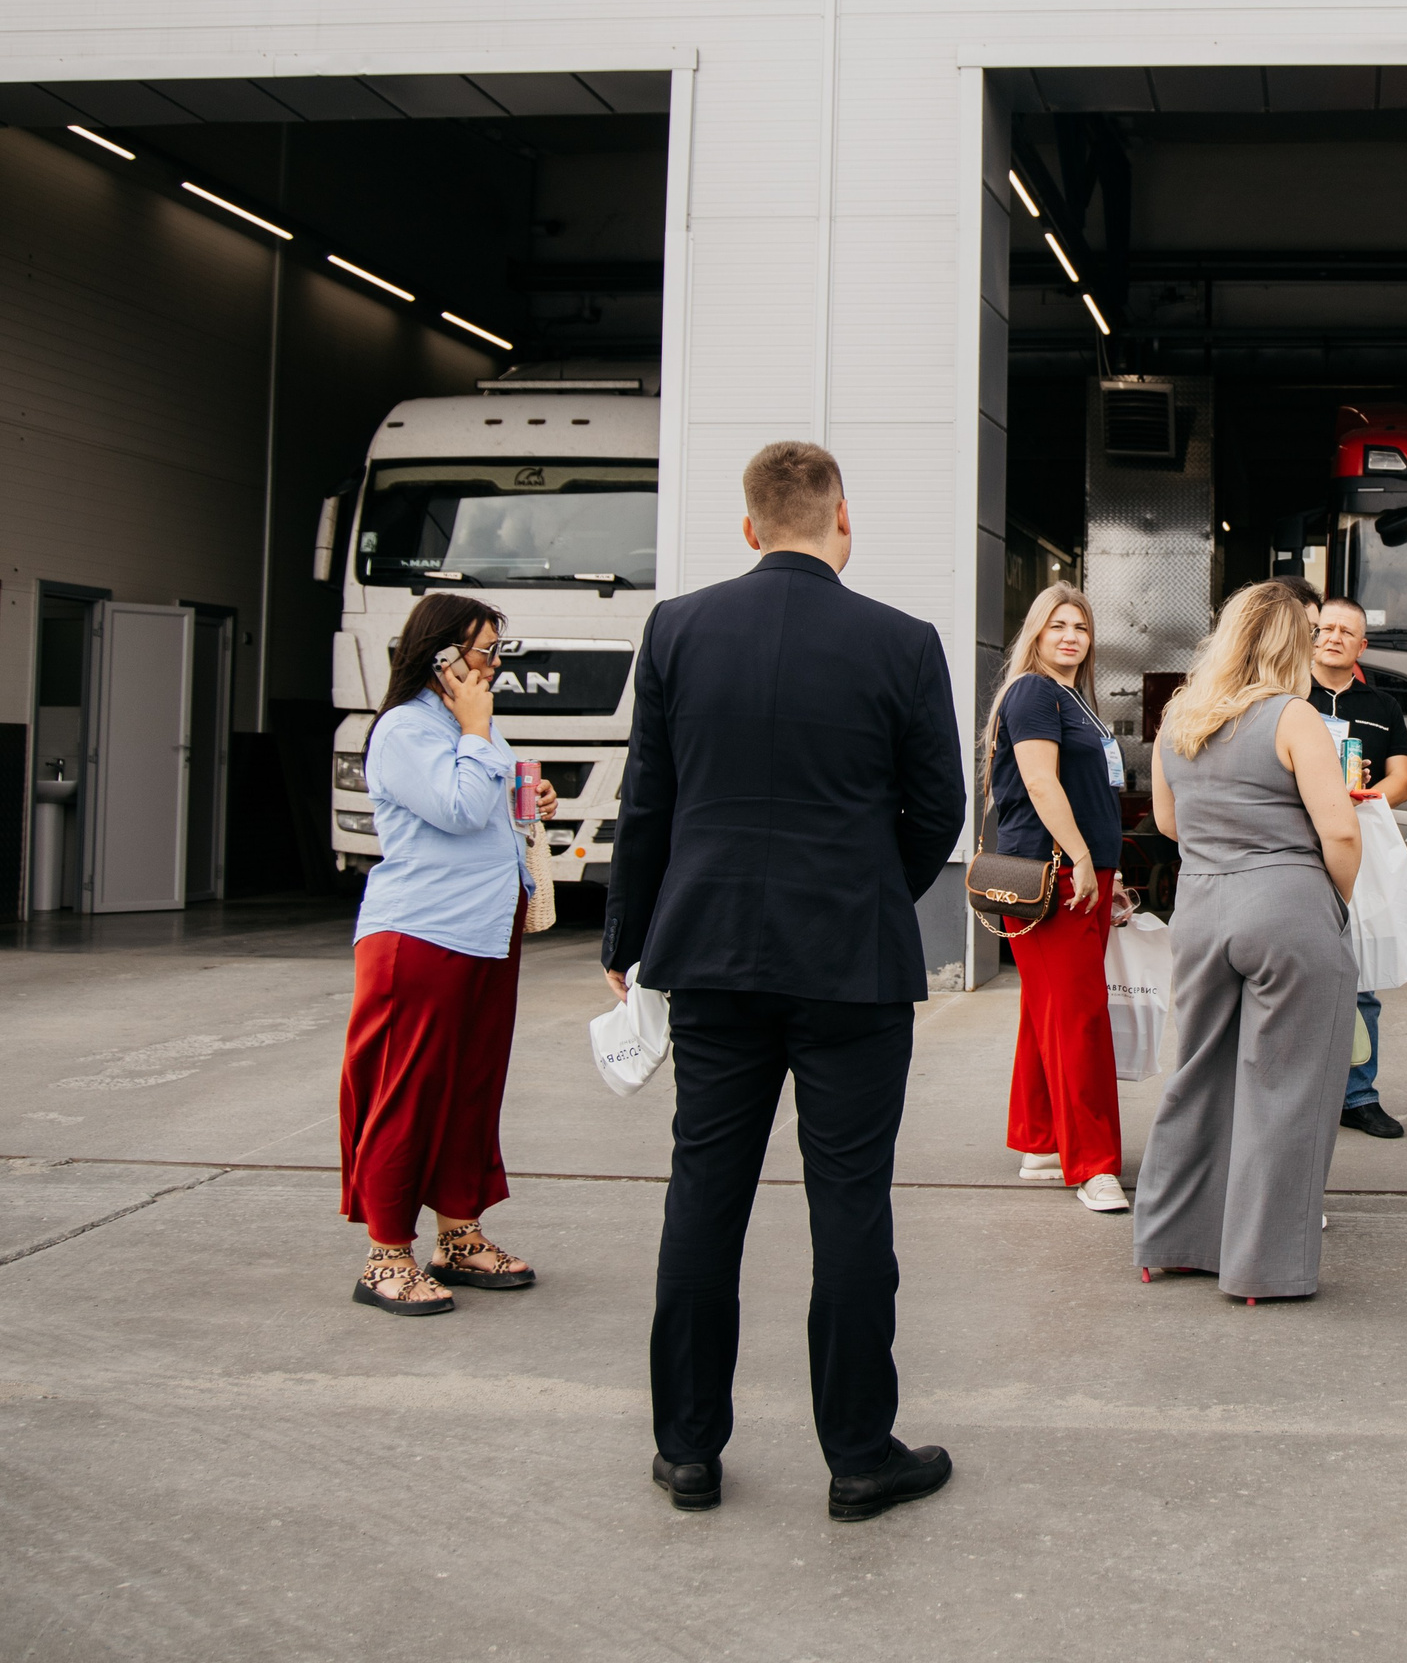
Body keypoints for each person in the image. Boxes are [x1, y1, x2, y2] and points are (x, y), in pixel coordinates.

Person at [604, 441, 967, 1522]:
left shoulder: (676, 629)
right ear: (840, 520)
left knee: (703, 1197)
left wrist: (630, 934)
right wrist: (868, 891)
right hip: (850, 968)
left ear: (751, 527)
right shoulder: (903, 643)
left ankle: (686, 1451)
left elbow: (646, 803)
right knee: (849, 1204)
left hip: (709, 955)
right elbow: (936, 807)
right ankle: (858, 1456)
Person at [1133, 582, 1363, 1301]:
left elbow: (1168, 824)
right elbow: (1342, 830)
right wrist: (1332, 903)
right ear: (1292, 643)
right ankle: (1264, 1267)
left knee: (1197, 1075)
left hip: (1202, 908)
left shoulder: (1180, 717)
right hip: (1287, 904)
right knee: (1287, 1089)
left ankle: (1171, 1240)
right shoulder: (1294, 718)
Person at [339, 595, 556, 1314]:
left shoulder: (466, 728)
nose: (493, 666)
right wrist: (477, 732)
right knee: (408, 1092)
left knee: (471, 1087)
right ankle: (387, 1254)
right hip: (422, 934)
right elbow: (458, 809)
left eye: (498, 650)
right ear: (439, 659)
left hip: (483, 932)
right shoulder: (406, 729)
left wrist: (531, 797)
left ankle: (459, 1234)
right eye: (482, 652)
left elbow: (488, 811)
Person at [987, 582, 1130, 1211]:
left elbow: (1091, 791)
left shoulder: (1073, 697)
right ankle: (1093, 1165)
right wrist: (1080, 860)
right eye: (1058, 627)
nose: (1072, 637)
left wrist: (1109, 867)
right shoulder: (1033, 693)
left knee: (1048, 1010)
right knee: (1080, 1019)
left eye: (1081, 627)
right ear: (1037, 634)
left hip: (1083, 872)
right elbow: (1043, 785)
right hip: (1054, 876)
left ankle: (1041, 1141)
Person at [1309, 597, 1407, 1138]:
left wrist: (1368, 793)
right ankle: (1305, 1094)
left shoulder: (1382, 704)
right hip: (1298, 847)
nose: (1334, 637)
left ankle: (1359, 1095)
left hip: (1357, 847)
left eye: (1346, 631)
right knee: (1299, 973)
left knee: (1361, 976)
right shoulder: (1284, 694)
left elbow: (1402, 777)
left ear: (1361, 646)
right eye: (1325, 628)